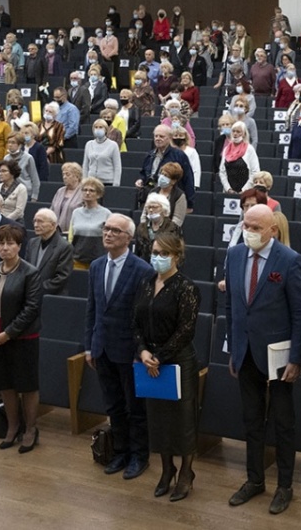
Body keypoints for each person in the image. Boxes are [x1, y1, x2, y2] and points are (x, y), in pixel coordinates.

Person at [224, 205, 301, 515]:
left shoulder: (289, 260)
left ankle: (284, 485)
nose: (250, 231)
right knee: (251, 420)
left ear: (272, 229)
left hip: (278, 356)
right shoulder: (233, 255)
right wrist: (232, 348)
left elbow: (300, 314)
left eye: (257, 227)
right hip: (245, 351)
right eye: (246, 225)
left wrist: (296, 358)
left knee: (283, 423)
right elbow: (232, 306)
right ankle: (254, 479)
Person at [133, 232, 200, 502]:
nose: (157, 257)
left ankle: (186, 472)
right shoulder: (146, 282)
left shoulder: (186, 287)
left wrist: (159, 356)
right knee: (158, 419)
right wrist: (143, 351)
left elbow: (186, 330)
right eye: (155, 251)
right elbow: (135, 322)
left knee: (182, 420)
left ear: (176, 257)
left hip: (177, 361)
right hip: (149, 359)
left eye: (163, 253)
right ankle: (166, 469)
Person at [85, 213, 154, 478]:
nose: (109, 233)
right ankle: (120, 452)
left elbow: (143, 318)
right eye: (106, 228)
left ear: (129, 237)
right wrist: (90, 346)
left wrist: (140, 351)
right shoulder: (96, 266)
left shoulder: (142, 270)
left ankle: (139, 456)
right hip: (102, 348)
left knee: (135, 408)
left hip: (129, 351)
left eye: (115, 230)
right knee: (113, 406)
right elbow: (92, 309)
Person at [0, 224, 42, 452]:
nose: (5, 248)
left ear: (19, 246)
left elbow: (31, 308)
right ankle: (13, 427)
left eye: (10, 243)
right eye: (1, 243)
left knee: (26, 384)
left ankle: (31, 429)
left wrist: (8, 334)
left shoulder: (30, 272)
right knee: (5, 383)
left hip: (22, 336)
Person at [25, 208, 73, 297]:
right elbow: (25, 268)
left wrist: (36, 289)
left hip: (51, 298)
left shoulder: (65, 247)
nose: (36, 225)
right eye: (34, 221)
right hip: (30, 296)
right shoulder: (32, 243)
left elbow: (61, 278)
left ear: (52, 225)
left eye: (40, 222)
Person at [70, 178, 112, 270]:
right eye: (85, 190)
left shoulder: (106, 213)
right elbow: (71, 236)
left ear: (98, 194)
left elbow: (110, 238)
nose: (87, 193)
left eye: (91, 190)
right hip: (77, 260)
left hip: (98, 260)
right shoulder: (76, 212)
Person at [218, 122, 259, 194]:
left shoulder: (249, 149)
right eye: (233, 131)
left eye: (238, 132)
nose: (235, 134)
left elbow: (255, 172)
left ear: (244, 134)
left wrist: (244, 190)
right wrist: (228, 189)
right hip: (228, 192)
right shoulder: (226, 149)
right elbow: (222, 172)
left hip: (246, 192)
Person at [135, 194, 178, 263]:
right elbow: (138, 251)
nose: (151, 210)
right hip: (144, 264)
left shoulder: (173, 227)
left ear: (164, 209)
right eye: (149, 207)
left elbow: (176, 251)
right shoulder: (141, 227)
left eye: (155, 207)